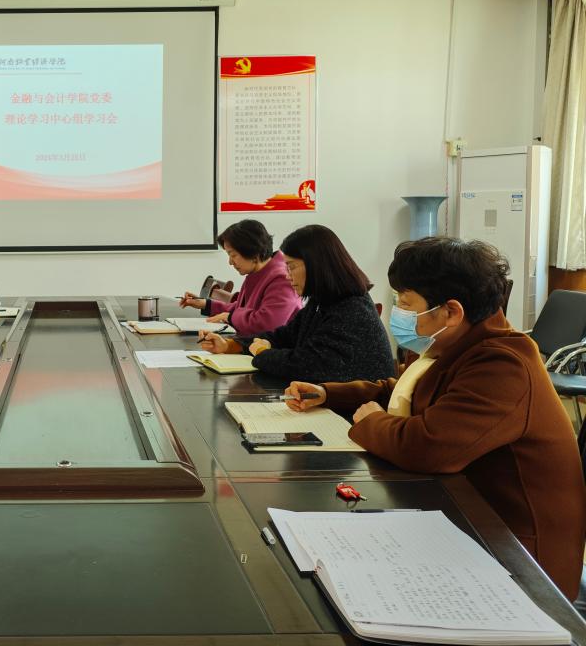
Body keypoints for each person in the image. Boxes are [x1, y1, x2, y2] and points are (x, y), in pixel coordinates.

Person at [284, 237, 586, 600]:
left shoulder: (502, 363)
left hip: (517, 554)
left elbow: (428, 446)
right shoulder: (456, 343)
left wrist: (369, 423)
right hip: (464, 516)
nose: (398, 313)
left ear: (451, 312)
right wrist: (330, 393)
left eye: (405, 303)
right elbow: (405, 392)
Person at [199, 225, 394, 383]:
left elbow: (306, 365)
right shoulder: (322, 301)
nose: (287, 275)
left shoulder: (351, 309)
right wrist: (230, 345)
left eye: (291, 266)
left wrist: (262, 353)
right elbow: (284, 335)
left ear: (316, 266)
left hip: (358, 412)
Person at [178, 219, 301, 337]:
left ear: (253, 252)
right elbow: (242, 309)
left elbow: (267, 324)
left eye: (233, 255)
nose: (230, 262)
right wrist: (206, 304)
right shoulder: (259, 273)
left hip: (273, 349)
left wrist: (230, 317)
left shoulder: (282, 279)